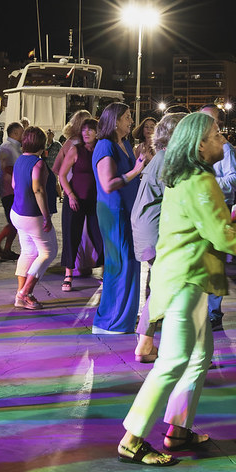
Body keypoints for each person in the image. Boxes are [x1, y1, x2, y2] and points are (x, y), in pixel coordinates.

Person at [117, 112, 236, 466]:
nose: (223, 140)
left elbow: (206, 225)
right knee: (175, 360)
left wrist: (230, 220)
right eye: (217, 134)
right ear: (200, 144)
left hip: (187, 278)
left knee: (199, 355)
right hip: (185, 280)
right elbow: (221, 236)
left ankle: (178, 429)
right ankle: (132, 439)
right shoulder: (199, 180)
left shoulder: (185, 176)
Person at [129, 112, 187, 362]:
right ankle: (147, 343)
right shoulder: (169, 160)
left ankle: (146, 341)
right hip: (157, 232)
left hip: (148, 230)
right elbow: (179, 200)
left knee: (160, 286)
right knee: (167, 288)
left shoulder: (161, 157)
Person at [92, 103, 146, 334]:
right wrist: (136, 170)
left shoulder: (124, 144)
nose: (131, 121)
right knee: (119, 264)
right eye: (127, 117)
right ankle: (109, 321)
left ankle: (123, 319)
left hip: (127, 210)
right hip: (114, 211)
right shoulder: (105, 146)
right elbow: (107, 184)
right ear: (114, 121)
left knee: (130, 263)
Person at [198, 104, 236, 330]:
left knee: (215, 263)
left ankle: (214, 313)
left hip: (219, 207)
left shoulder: (226, 149)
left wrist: (209, 183)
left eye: (210, 119)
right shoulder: (197, 147)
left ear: (219, 124)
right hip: (200, 209)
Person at [10, 126, 58, 309]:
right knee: (48, 252)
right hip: (33, 215)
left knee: (29, 252)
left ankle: (20, 295)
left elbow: (14, 185)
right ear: (42, 143)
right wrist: (46, 216)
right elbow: (38, 190)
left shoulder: (20, 160)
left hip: (17, 213)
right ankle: (25, 293)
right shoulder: (38, 164)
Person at [57, 118, 104, 292]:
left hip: (95, 200)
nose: (86, 133)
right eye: (84, 130)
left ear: (97, 133)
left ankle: (106, 271)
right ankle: (68, 274)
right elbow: (62, 175)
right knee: (72, 236)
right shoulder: (76, 150)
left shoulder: (101, 150)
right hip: (75, 199)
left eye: (90, 130)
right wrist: (70, 195)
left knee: (99, 236)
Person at [0, 122, 24, 260]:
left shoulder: (14, 147)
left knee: (15, 222)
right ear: (15, 133)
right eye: (22, 132)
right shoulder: (8, 147)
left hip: (12, 189)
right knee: (13, 221)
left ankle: (6, 249)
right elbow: (8, 168)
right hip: (9, 189)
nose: (24, 135)